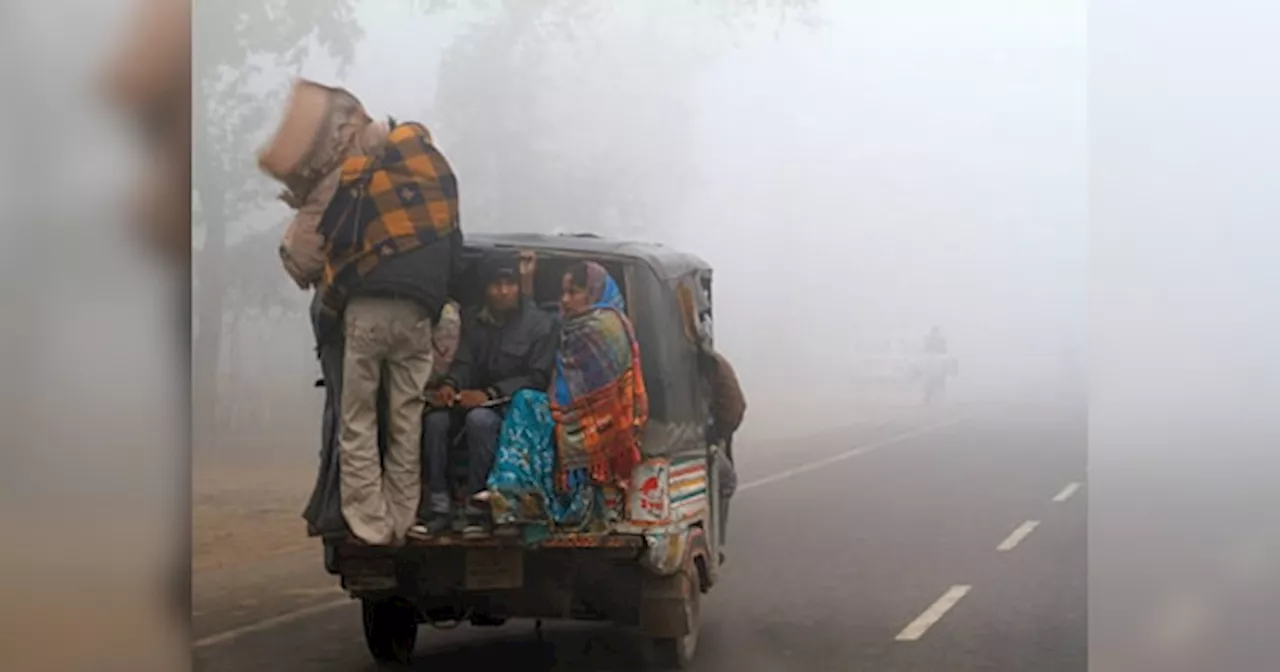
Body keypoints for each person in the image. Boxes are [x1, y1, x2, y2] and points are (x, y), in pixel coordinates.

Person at [302, 114, 460, 546]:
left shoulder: (363, 177)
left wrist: (332, 311)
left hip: (366, 312)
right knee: (405, 423)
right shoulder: (443, 189)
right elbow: (455, 262)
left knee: (359, 421)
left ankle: (370, 525)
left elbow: (335, 238)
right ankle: (403, 518)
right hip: (416, 319)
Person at [487, 262, 648, 534]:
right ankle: (521, 496)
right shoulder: (573, 324)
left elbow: (584, 393)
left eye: (574, 292)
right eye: (563, 292)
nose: (565, 300)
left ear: (593, 292)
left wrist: (564, 412)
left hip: (598, 426)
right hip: (579, 418)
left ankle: (520, 497)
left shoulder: (600, 326)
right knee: (525, 405)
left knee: (525, 403)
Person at [414, 254, 559, 540]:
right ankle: (439, 507)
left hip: (516, 410)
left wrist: (490, 394)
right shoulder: (474, 320)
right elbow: (465, 362)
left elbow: (537, 377)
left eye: (509, 284)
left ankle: (478, 509)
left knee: (480, 420)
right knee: (435, 421)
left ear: (518, 286)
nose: (503, 291)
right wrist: (451, 385)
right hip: (472, 402)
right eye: (496, 285)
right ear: (485, 288)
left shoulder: (540, 324)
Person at [700, 348, 746, 547]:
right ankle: (714, 544)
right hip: (703, 438)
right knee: (725, 481)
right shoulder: (708, 360)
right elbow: (735, 407)